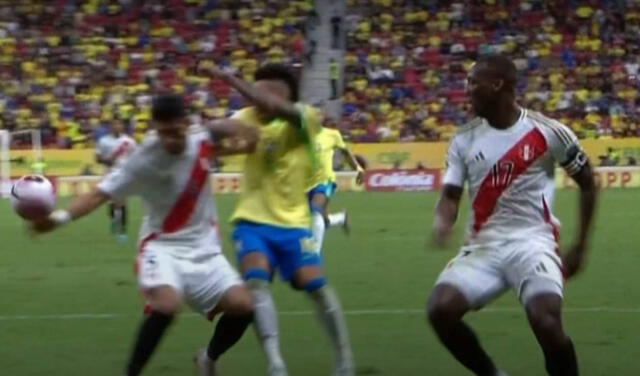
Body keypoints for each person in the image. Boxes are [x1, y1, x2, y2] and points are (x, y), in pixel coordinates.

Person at [30, 95, 260, 376]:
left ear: (187, 124)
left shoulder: (201, 138)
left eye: (175, 132)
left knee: (244, 306)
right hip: (161, 246)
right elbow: (98, 194)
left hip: (204, 248)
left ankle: (208, 357)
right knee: (167, 305)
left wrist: (245, 134)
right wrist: (57, 219)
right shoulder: (141, 160)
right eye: (163, 132)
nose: (170, 140)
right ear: (154, 128)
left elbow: (230, 131)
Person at [428, 55, 598, 376]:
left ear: (497, 85)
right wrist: (443, 219)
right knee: (440, 310)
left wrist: (580, 246)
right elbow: (450, 195)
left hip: (534, 243)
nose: (467, 90)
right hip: (483, 247)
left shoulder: (549, 132)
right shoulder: (463, 138)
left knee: (546, 322)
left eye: (473, 83)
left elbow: (588, 183)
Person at [201, 63, 354, 376]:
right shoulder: (245, 117)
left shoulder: (307, 118)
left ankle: (343, 358)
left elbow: (271, 106)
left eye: (270, 92)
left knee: (316, 287)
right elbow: (215, 132)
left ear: (290, 97)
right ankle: (275, 363)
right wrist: (212, 133)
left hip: (295, 224)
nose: (261, 98)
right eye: (258, 90)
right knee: (257, 283)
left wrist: (229, 77)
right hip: (252, 222)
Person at [307, 118, 365, 253]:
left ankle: (313, 253)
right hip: (305, 183)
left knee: (315, 210)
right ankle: (340, 218)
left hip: (325, 180)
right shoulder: (299, 136)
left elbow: (345, 152)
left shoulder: (332, 134)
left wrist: (357, 168)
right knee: (323, 220)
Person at [95, 119, 137, 241]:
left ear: (123, 126)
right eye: (114, 124)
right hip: (108, 173)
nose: (117, 126)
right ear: (110, 126)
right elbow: (97, 158)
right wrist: (106, 160)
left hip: (123, 174)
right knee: (110, 202)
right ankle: (114, 218)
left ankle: (123, 232)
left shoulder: (129, 141)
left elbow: (136, 157)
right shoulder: (103, 141)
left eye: (119, 123)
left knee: (122, 201)